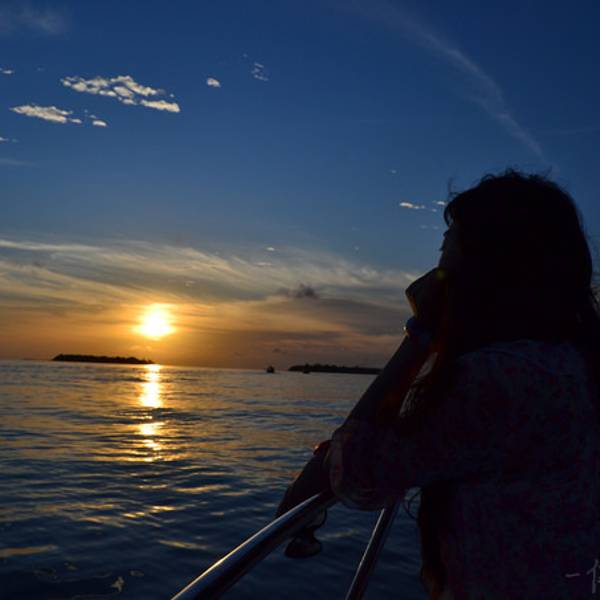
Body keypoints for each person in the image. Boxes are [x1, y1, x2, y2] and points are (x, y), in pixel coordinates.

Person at [275, 169, 600, 599]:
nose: (433, 271)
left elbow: (348, 470)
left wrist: (422, 331)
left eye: (447, 248)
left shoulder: (499, 380)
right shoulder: (576, 365)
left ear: (484, 265)